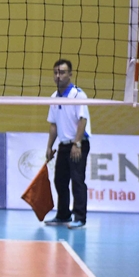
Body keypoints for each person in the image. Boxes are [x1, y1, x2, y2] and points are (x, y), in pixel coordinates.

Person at [44, 59, 91, 228]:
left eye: (62, 72)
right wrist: (49, 146)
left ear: (70, 74)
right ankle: (63, 215)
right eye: (56, 72)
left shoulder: (78, 95)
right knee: (60, 181)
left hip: (78, 144)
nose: (58, 76)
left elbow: (83, 120)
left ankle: (80, 217)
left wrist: (76, 144)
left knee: (77, 181)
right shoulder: (54, 97)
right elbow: (53, 124)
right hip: (63, 145)